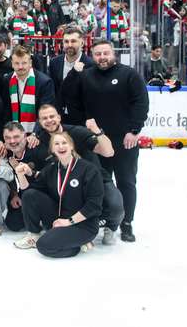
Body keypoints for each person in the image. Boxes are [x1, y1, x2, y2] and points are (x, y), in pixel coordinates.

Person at [73, 39, 148, 243]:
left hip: (124, 141)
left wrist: (134, 130)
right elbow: (76, 104)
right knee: (99, 183)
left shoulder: (129, 74)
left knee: (126, 181)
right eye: (98, 54)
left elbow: (141, 103)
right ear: (92, 56)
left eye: (106, 53)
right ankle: (106, 220)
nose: (102, 57)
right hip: (96, 142)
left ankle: (127, 222)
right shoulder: (86, 76)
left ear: (113, 54)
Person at [34, 104, 123, 245]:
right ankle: (71, 226)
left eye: (52, 116)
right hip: (67, 186)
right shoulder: (40, 139)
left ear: (59, 117)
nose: (49, 120)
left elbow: (108, 152)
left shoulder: (77, 132)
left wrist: (97, 131)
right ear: (39, 122)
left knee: (115, 205)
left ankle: (110, 227)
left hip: (95, 180)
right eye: (44, 118)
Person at [14, 132, 103, 258]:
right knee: (30, 194)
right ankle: (33, 235)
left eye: (64, 143)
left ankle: (77, 245)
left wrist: (69, 222)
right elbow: (28, 194)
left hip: (82, 225)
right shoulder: (51, 169)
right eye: (56, 144)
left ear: (71, 146)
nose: (61, 146)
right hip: (58, 220)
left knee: (44, 246)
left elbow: (94, 206)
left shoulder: (89, 169)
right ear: (52, 149)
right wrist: (21, 175)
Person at [0, 45, 55, 133]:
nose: (20, 67)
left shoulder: (45, 82)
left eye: (24, 63)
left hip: (38, 132)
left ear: (30, 63)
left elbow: (45, 112)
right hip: (13, 132)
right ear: (12, 63)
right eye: (17, 63)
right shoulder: (7, 80)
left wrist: (35, 134)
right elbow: (6, 110)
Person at [47, 26, 92, 119]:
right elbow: (53, 90)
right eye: (66, 41)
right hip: (59, 117)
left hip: (82, 119)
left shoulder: (90, 65)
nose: (69, 45)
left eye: (73, 41)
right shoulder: (54, 62)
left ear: (82, 43)